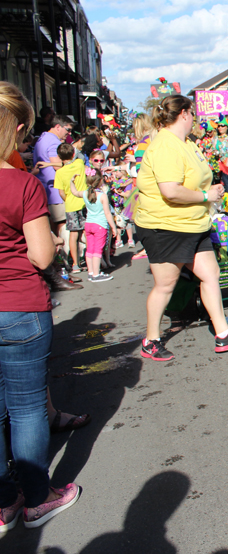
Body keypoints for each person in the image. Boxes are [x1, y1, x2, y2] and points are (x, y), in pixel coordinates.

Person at [0, 83, 82, 532]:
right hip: (19, 306)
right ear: (15, 129)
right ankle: (36, 498)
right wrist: (49, 239)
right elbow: (42, 256)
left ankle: (3, 502)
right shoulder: (22, 183)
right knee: (28, 407)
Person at [135, 95, 228, 361]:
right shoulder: (166, 145)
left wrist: (211, 191)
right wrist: (205, 196)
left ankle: (223, 334)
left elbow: (195, 178)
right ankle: (150, 340)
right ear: (184, 114)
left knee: (211, 274)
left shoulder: (187, 143)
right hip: (165, 226)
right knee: (165, 285)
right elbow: (170, 191)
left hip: (193, 223)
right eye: (193, 114)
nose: (196, 120)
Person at [69, 168, 118, 282]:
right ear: (100, 181)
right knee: (97, 250)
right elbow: (107, 213)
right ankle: (96, 274)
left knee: (90, 249)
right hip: (100, 225)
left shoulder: (85, 193)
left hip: (88, 224)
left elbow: (74, 192)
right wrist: (113, 227)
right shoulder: (102, 196)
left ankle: (91, 273)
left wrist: (71, 182)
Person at [32, 116, 73, 237]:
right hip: (55, 190)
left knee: (53, 224)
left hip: (45, 187)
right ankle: (63, 248)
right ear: (58, 126)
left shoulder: (43, 137)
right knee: (61, 223)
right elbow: (58, 166)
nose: (69, 133)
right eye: (68, 129)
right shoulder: (54, 142)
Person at [52, 143, 87, 272]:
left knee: (73, 234)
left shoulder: (59, 172)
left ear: (59, 157)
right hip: (84, 202)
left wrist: (68, 200)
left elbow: (61, 192)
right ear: (73, 154)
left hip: (70, 206)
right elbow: (80, 154)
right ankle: (92, 258)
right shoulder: (79, 164)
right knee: (87, 232)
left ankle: (75, 264)